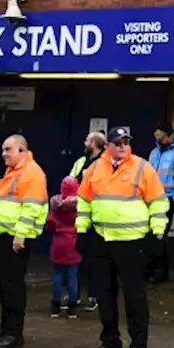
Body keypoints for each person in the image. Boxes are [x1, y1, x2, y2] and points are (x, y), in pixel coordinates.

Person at [77, 126, 169, 348]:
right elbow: (84, 200)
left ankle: (138, 346)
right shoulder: (95, 168)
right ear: (108, 145)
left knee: (134, 297)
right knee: (104, 295)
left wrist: (157, 233)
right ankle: (110, 343)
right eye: (117, 142)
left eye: (126, 142)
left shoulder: (142, 167)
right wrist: (81, 229)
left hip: (132, 242)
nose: (122, 146)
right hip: (101, 239)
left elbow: (158, 202)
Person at [0, 134, 48, 348]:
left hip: (16, 238)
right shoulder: (15, 171)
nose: (3, 154)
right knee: (3, 284)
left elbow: (32, 208)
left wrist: (20, 235)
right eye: (3, 150)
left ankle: (14, 333)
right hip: (4, 234)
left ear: (21, 150)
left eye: (8, 150)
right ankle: (5, 328)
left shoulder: (31, 173)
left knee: (12, 286)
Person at [146, 122, 174, 284]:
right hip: (152, 199)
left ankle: (161, 271)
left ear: (166, 133)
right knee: (151, 235)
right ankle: (151, 268)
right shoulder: (154, 152)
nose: (155, 134)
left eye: (158, 131)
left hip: (167, 199)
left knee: (160, 235)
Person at [70, 131, 106, 310]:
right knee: (79, 255)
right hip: (80, 212)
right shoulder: (81, 161)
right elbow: (70, 180)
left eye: (87, 140)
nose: (84, 143)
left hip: (97, 216)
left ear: (93, 144)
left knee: (96, 258)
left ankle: (95, 295)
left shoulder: (104, 164)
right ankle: (76, 292)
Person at [46, 175, 82, 318]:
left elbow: (49, 223)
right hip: (73, 243)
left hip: (58, 243)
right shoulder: (79, 207)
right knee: (73, 276)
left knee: (58, 275)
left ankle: (55, 307)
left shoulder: (55, 206)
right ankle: (72, 308)